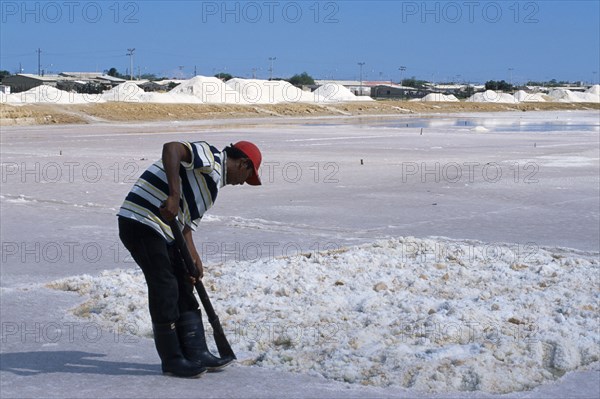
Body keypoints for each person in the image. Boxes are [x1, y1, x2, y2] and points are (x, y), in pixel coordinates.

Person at [117, 140, 262, 378]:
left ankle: (196, 352)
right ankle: (172, 358)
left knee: (185, 283)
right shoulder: (211, 159)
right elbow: (172, 148)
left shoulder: (211, 189)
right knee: (164, 285)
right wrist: (173, 195)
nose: (242, 182)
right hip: (140, 220)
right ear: (243, 163)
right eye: (247, 176)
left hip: (165, 230)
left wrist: (192, 257)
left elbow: (185, 223)